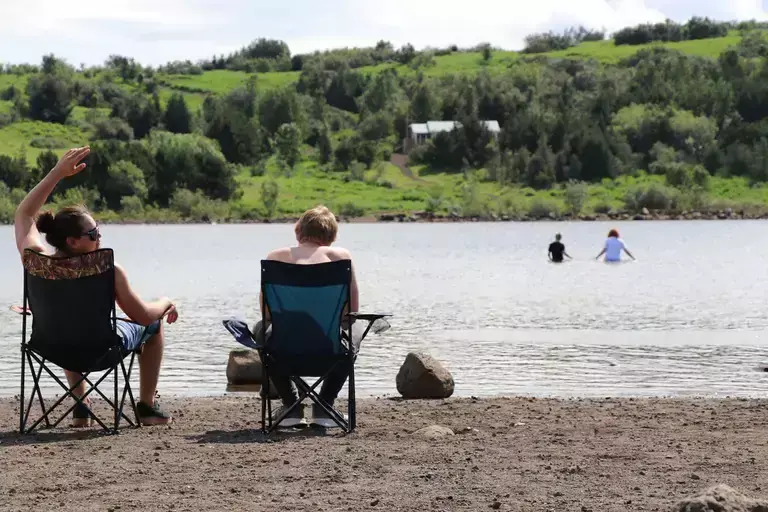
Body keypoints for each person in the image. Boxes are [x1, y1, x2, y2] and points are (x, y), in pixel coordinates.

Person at [13, 146, 178, 427]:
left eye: (98, 230)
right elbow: (144, 318)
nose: (99, 237)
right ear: (73, 241)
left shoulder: (37, 262)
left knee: (67, 323)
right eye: (93, 233)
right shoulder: (107, 270)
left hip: (50, 345)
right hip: (101, 349)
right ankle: (147, 406)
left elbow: (24, 214)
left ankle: (81, 406)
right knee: (154, 329)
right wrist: (165, 302)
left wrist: (56, 173)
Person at [255, 205, 361, 428]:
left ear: (298, 231)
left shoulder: (276, 258)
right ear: (331, 237)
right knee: (357, 328)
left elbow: (267, 314)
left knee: (259, 328)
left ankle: (291, 407)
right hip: (329, 353)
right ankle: (324, 406)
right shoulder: (340, 258)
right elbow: (351, 312)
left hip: (283, 353)